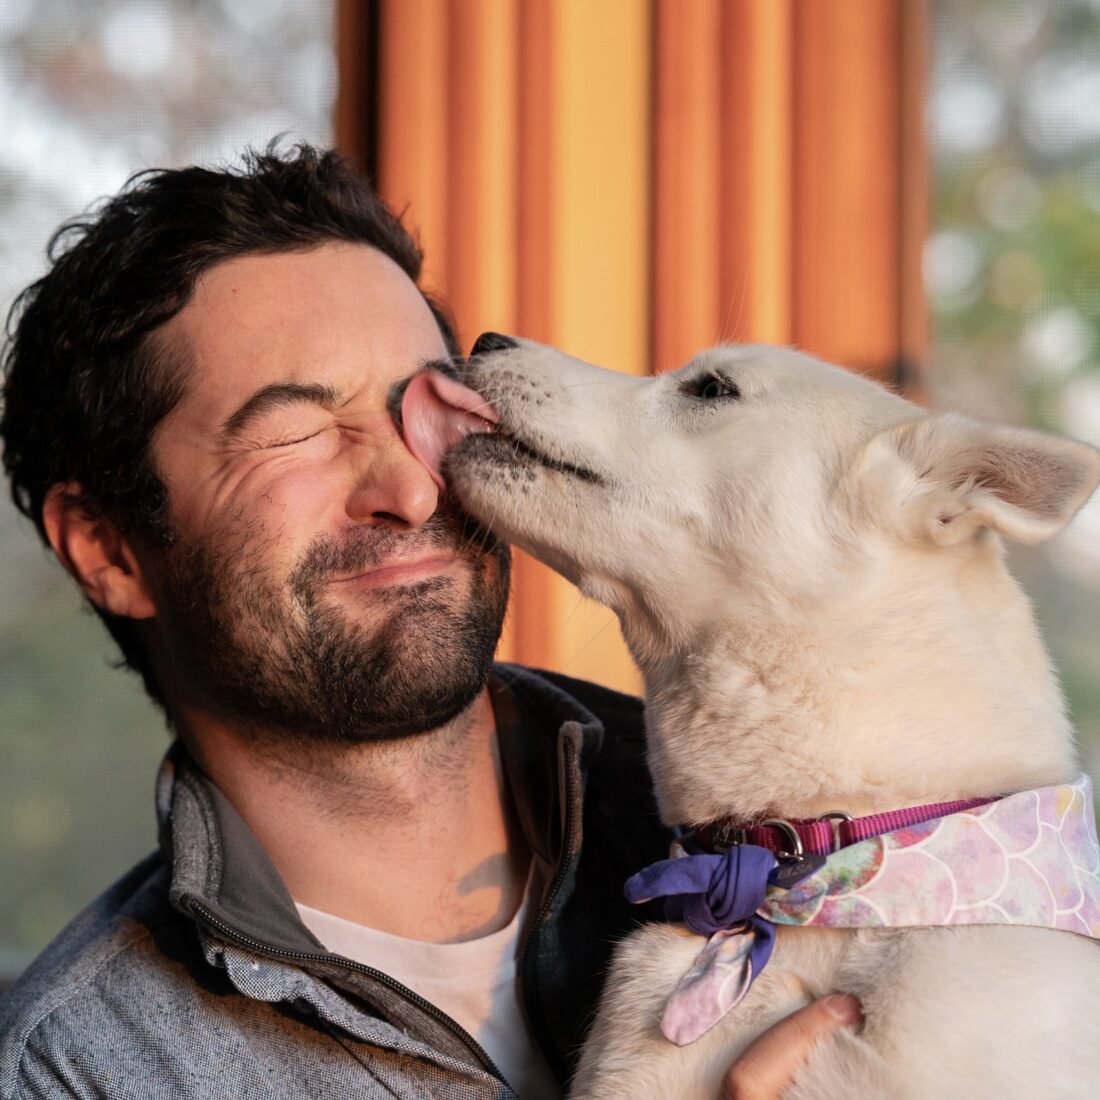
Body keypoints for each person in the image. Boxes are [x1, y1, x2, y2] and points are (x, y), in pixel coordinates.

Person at [0, 143, 858, 1099]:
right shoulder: (73, 1071)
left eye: (421, 405)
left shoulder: (837, 841)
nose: (413, 488)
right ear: (110, 549)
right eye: (298, 433)